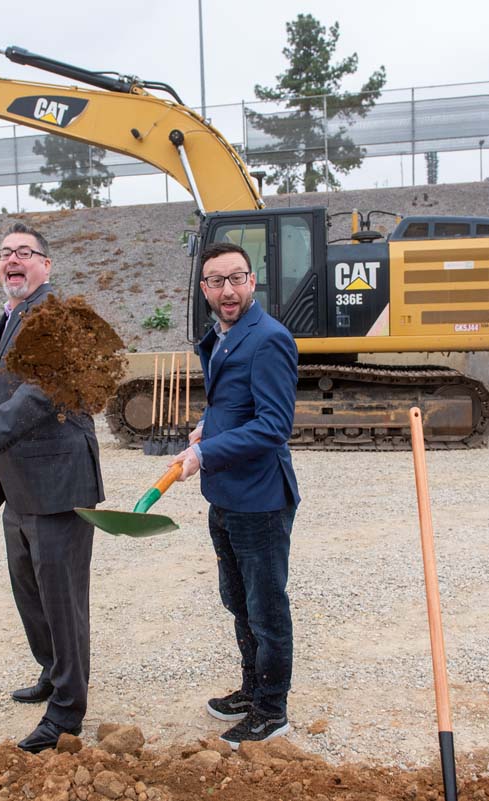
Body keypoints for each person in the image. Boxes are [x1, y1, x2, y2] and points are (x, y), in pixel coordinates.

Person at [0, 222, 104, 753]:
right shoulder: (14, 313)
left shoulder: (55, 316)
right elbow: (17, 386)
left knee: (61, 600)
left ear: (46, 265)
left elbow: (44, 391)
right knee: (30, 590)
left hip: (58, 480)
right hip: (20, 481)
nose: (11, 260)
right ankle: (53, 671)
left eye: (24, 252)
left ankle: (66, 713)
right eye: (4, 253)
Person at [170, 241, 300, 749]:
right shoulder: (225, 336)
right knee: (238, 601)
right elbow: (238, 403)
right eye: (216, 281)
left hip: (261, 499)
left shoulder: (267, 338)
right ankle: (252, 689)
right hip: (227, 494)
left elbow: (273, 426)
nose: (228, 290)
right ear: (204, 289)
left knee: (266, 608)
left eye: (236, 278)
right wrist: (209, 425)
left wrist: (205, 453)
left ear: (252, 281)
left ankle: (272, 710)